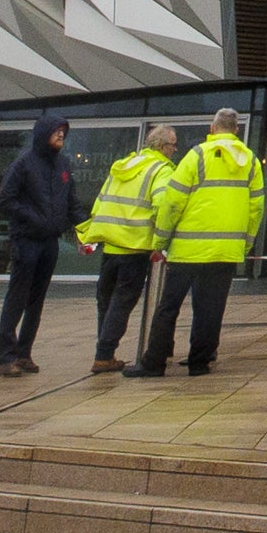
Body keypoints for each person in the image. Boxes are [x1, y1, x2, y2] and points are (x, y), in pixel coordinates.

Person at [132, 106, 264, 379]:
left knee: (168, 307)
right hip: (225, 252)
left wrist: (160, 239)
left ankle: (154, 363)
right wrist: (245, 245)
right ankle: (199, 363)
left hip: (188, 250)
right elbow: (256, 209)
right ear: (236, 130)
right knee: (211, 309)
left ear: (212, 128)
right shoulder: (251, 161)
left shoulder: (197, 156)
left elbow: (173, 201)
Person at [81, 123, 177, 376]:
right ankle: (103, 355)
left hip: (111, 245)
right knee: (122, 303)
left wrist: (91, 237)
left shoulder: (123, 165)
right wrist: (162, 240)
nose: (175, 150)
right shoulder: (161, 169)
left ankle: (105, 352)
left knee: (106, 301)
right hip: (135, 246)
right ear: (162, 147)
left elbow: (100, 202)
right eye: (173, 145)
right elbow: (163, 206)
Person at [0, 113, 74, 376]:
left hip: (50, 241)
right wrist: (33, 217)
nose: (61, 135)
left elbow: (72, 202)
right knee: (18, 296)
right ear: (43, 133)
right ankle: (6, 356)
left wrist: (84, 227)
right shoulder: (24, 163)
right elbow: (5, 199)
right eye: (56, 130)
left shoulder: (63, 164)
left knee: (37, 300)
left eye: (63, 131)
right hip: (26, 240)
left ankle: (24, 353)